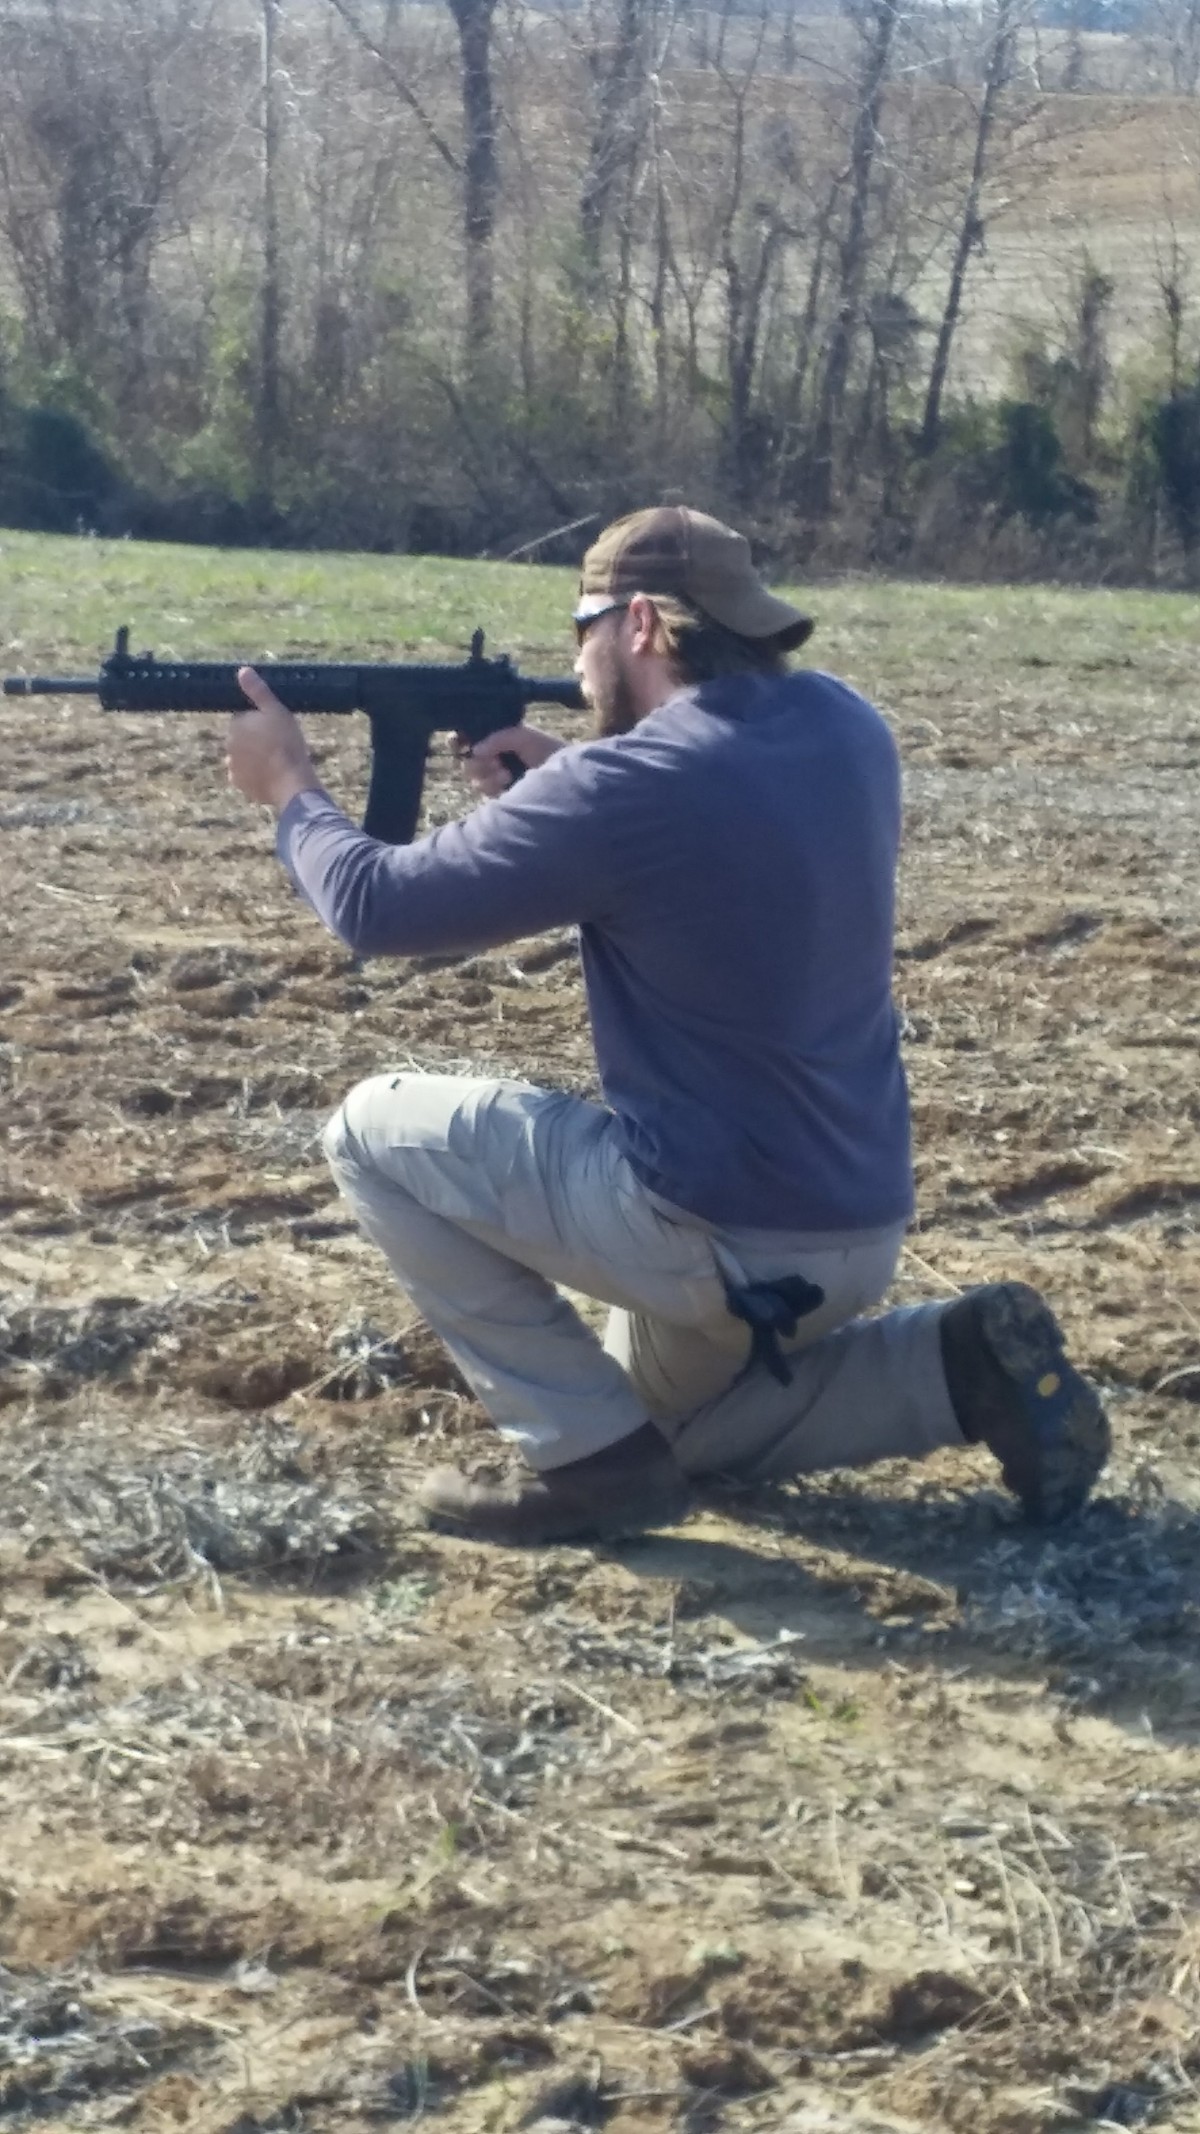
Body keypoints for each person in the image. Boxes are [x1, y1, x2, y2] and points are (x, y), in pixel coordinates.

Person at [226, 505, 1110, 1546]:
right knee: (657, 1426)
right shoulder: (847, 725)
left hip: (710, 1233)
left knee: (369, 1129)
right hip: (857, 1226)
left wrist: (290, 790)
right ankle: (951, 1366)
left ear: (640, 623)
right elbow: (706, 822)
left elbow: (377, 908)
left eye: (583, 628)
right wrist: (565, 782)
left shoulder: (621, 790)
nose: (576, 659)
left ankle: (590, 1472)